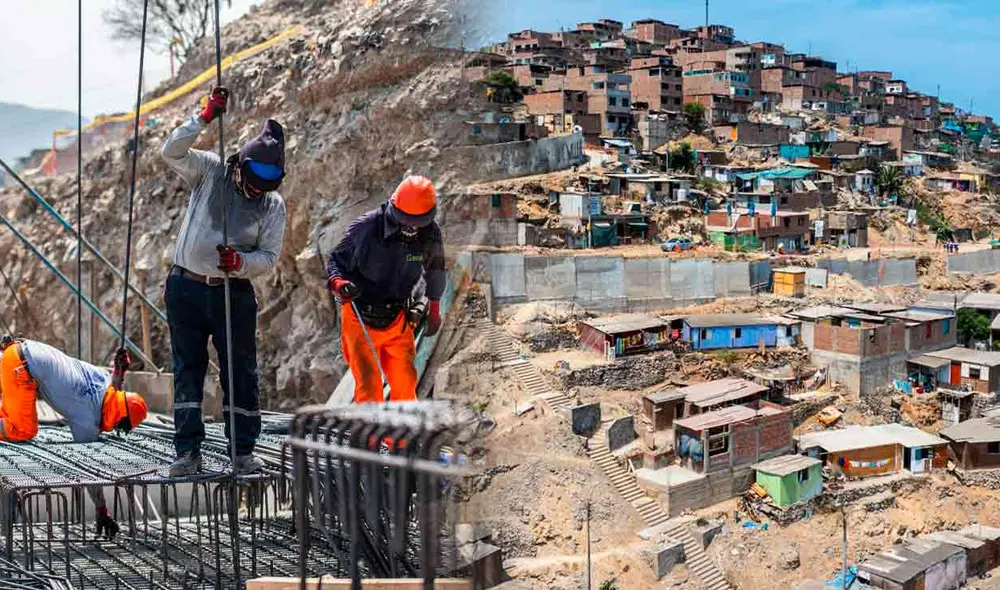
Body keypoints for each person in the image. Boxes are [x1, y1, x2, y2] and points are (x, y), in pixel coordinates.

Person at [160, 86, 288, 476]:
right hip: (185, 287)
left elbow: (268, 257)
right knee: (188, 368)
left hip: (232, 293)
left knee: (241, 370)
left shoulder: (271, 205)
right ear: (238, 166)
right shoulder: (210, 170)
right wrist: (203, 117)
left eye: (261, 189)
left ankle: (243, 451)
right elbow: (171, 152)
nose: (253, 193)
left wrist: (241, 263)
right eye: (249, 184)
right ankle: (187, 453)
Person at [0, 337, 148, 539]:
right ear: (119, 419)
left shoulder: (103, 379)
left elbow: (114, 393)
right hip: (21, 366)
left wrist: (120, 372)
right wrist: (101, 510)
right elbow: (88, 472)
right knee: (21, 429)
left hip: (18, 352)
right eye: (120, 426)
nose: (114, 429)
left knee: (11, 419)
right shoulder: (87, 420)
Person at [326, 175, 445, 404]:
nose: (412, 228)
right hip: (359, 317)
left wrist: (435, 310)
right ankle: (368, 440)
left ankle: (400, 441)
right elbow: (336, 261)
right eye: (407, 221)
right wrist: (339, 284)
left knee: (405, 389)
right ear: (395, 209)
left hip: (396, 317)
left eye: (418, 223)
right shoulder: (367, 227)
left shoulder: (430, 233)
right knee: (369, 391)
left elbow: (436, 271)